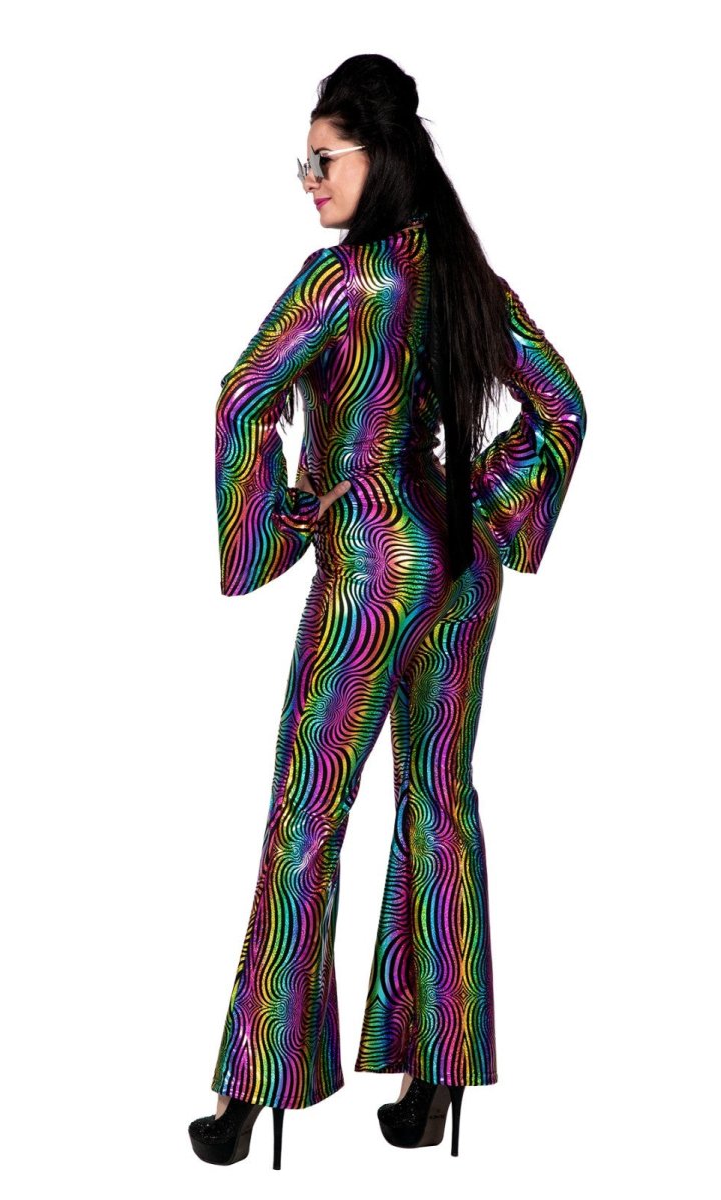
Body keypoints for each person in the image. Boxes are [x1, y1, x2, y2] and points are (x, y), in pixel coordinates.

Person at [188, 54, 587, 1170]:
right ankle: (436, 1074)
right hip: (460, 565)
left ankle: (252, 1087)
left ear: (380, 158)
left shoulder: (340, 282)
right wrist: (489, 507)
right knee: (439, 801)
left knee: (308, 811)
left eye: (325, 159)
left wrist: (287, 518)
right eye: (306, 162)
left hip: (370, 566)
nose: (309, 180)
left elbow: (241, 398)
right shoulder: (466, 280)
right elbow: (562, 406)